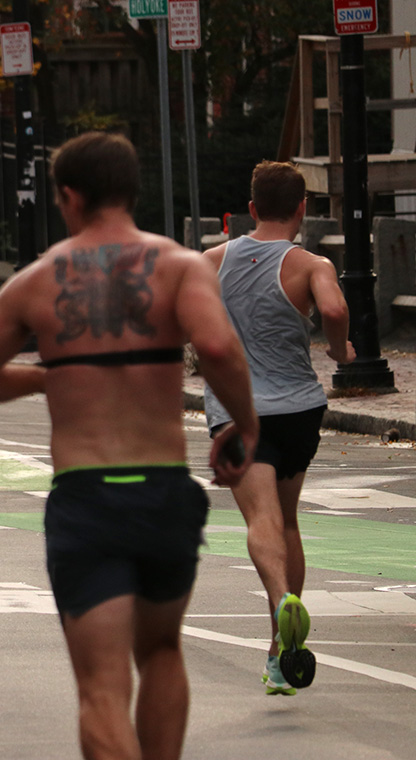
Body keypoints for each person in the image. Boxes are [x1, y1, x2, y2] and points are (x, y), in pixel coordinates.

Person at [0, 132, 258, 760]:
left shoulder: (38, 280)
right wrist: (243, 427)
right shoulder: (181, 265)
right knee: (161, 650)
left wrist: (51, 375)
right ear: (131, 190)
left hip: (87, 498)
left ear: (71, 196)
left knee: (101, 687)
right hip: (163, 490)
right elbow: (219, 347)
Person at [203, 161, 354, 695]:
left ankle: (280, 599)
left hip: (237, 411)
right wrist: (340, 350)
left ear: (251, 209)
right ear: (302, 209)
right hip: (299, 410)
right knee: (287, 521)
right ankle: (279, 656)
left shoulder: (211, 261)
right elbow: (333, 308)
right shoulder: (312, 264)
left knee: (260, 520)